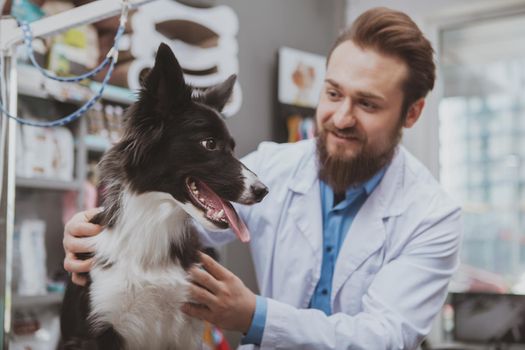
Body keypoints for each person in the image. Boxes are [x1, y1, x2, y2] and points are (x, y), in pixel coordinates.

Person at [63, 7, 462, 349]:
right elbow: (170, 219)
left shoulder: (433, 216)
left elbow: (383, 337)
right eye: (334, 94)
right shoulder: (274, 166)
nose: (341, 118)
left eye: (368, 104)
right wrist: (98, 228)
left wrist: (256, 315)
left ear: (411, 113)